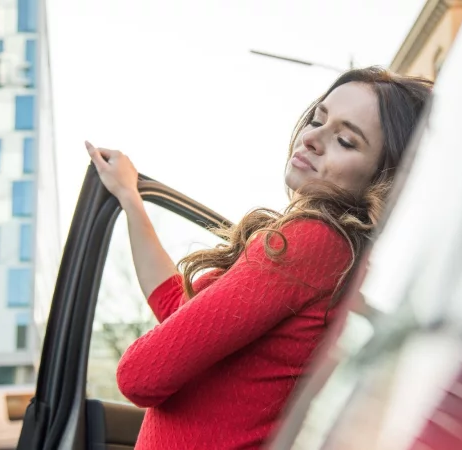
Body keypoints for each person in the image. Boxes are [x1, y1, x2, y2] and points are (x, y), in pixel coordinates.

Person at [85, 66, 433, 449]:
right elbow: (178, 308)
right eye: (317, 120)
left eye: (345, 140)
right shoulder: (339, 255)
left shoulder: (314, 240)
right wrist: (131, 199)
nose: (312, 138)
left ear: (384, 176)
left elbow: (139, 375)